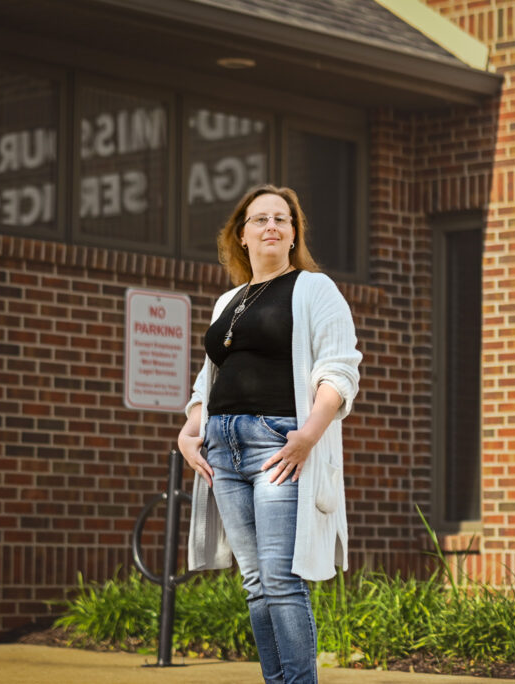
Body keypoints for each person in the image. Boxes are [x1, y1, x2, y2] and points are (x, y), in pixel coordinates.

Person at [177, 184, 361, 684]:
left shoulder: (313, 289)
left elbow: (339, 371)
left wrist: (307, 436)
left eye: (282, 219)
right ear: (242, 235)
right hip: (223, 448)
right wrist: (188, 432)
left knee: (281, 578)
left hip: (276, 445)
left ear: (293, 232)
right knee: (255, 583)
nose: (272, 227)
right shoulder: (227, 301)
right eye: (260, 219)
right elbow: (208, 378)